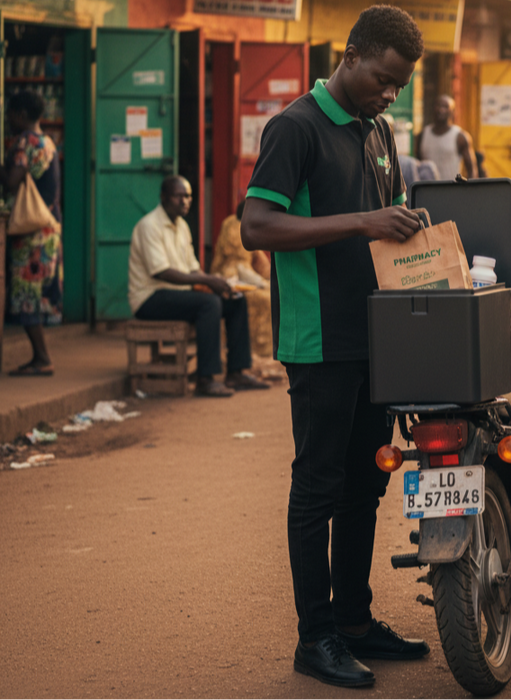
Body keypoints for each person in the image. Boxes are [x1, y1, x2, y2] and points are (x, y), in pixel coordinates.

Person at [240, 6, 429, 689]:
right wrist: (363, 221)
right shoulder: (294, 127)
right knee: (318, 487)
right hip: (319, 340)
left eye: (399, 86)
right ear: (350, 56)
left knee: (363, 486)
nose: (389, 94)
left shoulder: (377, 130)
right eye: (383, 78)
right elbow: (256, 227)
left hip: (375, 333)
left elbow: (385, 227)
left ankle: (352, 621)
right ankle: (313, 637)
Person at [128, 175, 270, 397]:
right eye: (179, 196)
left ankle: (236, 372)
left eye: (188, 197)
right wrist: (207, 281)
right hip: (150, 298)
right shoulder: (149, 226)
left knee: (234, 300)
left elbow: (192, 268)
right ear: (164, 197)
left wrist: (219, 283)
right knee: (209, 304)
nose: (185, 202)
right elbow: (162, 272)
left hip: (178, 294)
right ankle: (206, 379)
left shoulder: (182, 226)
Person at [2, 90, 62, 376]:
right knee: (34, 296)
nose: (9, 119)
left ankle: (42, 357)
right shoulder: (47, 141)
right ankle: (41, 356)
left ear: (21, 115)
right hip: (47, 228)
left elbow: (13, 182)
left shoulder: (25, 142)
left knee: (26, 293)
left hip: (31, 233)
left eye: (11, 113)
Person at [210, 201, 273, 357]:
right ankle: (259, 349)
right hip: (233, 277)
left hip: (245, 274)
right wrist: (262, 282)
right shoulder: (233, 228)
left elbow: (258, 259)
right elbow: (240, 267)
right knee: (266, 299)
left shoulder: (243, 225)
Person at [416, 94, 477, 180]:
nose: (441, 110)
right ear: (433, 108)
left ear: (452, 111)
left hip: (451, 190)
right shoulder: (423, 134)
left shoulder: (460, 136)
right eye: (438, 106)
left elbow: (472, 170)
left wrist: (469, 190)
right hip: (427, 189)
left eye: (445, 107)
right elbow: (417, 165)